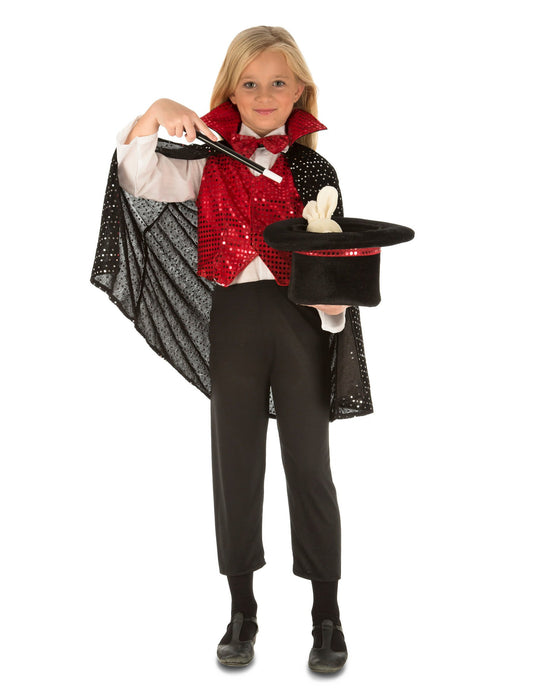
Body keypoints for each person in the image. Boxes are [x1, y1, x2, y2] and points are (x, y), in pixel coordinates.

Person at [99, 25, 374, 674]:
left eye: (278, 82)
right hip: (235, 321)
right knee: (235, 465)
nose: (264, 95)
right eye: (249, 84)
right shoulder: (205, 159)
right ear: (230, 90)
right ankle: (242, 611)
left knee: (310, 467)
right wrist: (158, 108)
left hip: (301, 322)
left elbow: (334, 256)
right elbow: (138, 176)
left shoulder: (313, 169)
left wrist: (333, 307)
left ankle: (326, 614)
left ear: (299, 90)